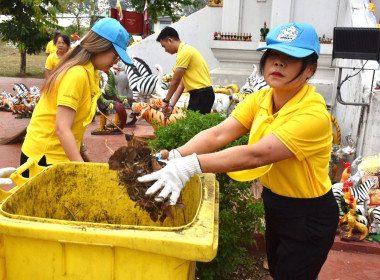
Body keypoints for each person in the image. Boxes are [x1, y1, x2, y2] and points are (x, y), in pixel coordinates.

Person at [139, 23, 339, 280]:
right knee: (279, 272)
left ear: (310, 68)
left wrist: (188, 166)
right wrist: (177, 155)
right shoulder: (262, 99)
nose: (278, 64)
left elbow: (255, 154)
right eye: (273, 56)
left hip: (309, 214)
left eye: (290, 59)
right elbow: (219, 134)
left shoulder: (313, 115)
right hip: (276, 203)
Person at [21, 18, 133, 173]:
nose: (115, 61)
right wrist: (83, 171)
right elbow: (62, 128)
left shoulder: (91, 73)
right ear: (100, 47)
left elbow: (73, 123)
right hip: (43, 160)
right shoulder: (77, 74)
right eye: (115, 56)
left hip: (59, 156)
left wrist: (83, 154)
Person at [156, 26, 215, 116]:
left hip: (201, 95)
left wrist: (166, 101)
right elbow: (181, 84)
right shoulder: (185, 50)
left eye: (164, 46)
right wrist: (171, 105)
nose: (165, 50)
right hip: (200, 95)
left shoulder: (184, 52)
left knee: (193, 128)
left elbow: (175, 81)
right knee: (192, 126)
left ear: (170, 40)